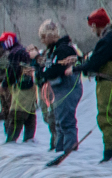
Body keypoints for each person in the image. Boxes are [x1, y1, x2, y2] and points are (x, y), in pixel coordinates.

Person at [76, 7, 112, 163]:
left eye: (92, 27)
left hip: (109, 84)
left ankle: (110, 154)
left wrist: (76, 68)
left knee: (107, 117)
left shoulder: (108, 39)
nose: (92, 31)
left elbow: (95, 62)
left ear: (96, 25)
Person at [35, 18, 83, 166]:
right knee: (58, 123)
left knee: (66, 122)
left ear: (51, 35)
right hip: (58, 89)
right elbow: (46, 68)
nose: (42, 40)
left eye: (44, 36)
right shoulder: (52, 51)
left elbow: (56, 68)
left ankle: (70, 153)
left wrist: (44, 73)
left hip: (67, 89)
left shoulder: (64, 49)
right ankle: (59, 149)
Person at [0, 32, 36, 143]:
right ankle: (29, 147)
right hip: (31, 89)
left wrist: (3, 84)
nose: (2, 45)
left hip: (22, 90)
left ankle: (10, 144)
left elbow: (13, 72)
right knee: (30, 117)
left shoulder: (14, 53)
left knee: (16, 116)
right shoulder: (23, 50)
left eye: (3, 42)